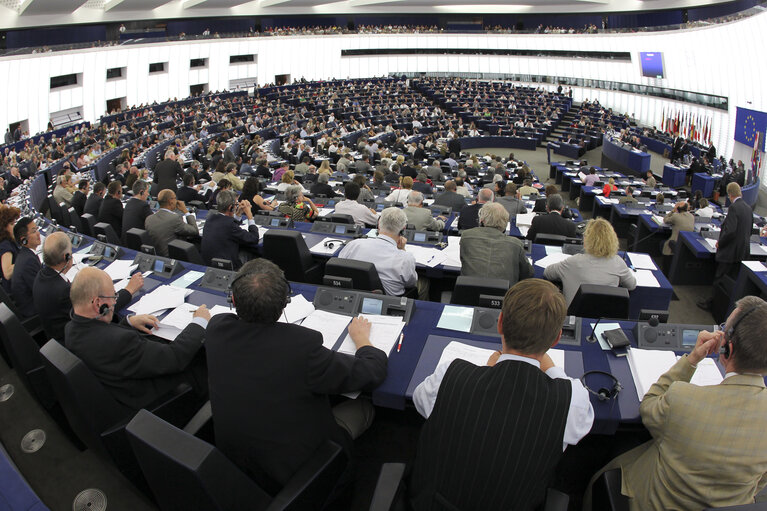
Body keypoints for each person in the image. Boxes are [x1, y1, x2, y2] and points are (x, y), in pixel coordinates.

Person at [410, 279, 594, 510]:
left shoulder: (450, 374)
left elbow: (419, 401)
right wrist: (551, 367)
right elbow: (583, 422)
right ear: (557, 339)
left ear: (500, 323)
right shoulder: (571, 401)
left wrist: (488, 372)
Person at [205, 258, 387, 491]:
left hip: (237, 460)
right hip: (298, 470)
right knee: (365, 407)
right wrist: (362, 340)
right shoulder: (302, 347)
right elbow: (372, 372)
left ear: (233, 299)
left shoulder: (216, 328)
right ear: (285, 303)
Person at [584, 296, 767, 510]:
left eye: (725, 328)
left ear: (728, 348)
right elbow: (759, 483)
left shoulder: (683, 398)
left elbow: (649, 407)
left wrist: (691, 360)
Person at [65, 267, 209, 410]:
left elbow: (107, 337)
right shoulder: (119, 341)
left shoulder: (71, 328)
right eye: (113, 297)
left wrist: (128, 322)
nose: (115, 302)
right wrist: (199, 321)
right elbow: (174, 357)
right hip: (151, 401)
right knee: (203, 359)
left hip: (119, 384)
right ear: (98, 304)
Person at [33, 232, 143, 342]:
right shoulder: (63, 290)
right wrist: (129, 290)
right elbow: (97, 312)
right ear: (67, 256)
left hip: (57, 336)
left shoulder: (41, 276)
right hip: (74, 342)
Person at [544, 218, 636, 307]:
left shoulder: (573, 262)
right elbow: (631, 285)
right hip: (603, 319)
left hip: (573, 318)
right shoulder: (618, 263)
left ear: (586, 239)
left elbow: (548, 273)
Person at [339, 207, 417, 296]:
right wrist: (402, 250)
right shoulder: (405, 258)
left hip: (352, 297)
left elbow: (340, 268)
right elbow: (411, 284)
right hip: (388, 303)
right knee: (425, 283)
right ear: (403, 230)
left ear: (378, 225)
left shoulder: (353, 245)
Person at [698, 183, 752, 310]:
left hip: (730, 251)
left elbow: (731, 231)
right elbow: (749, 230)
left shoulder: (734, 208)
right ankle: (725, 306)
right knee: (731, 281)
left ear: (729, 195)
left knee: (720, 278)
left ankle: (712, 304)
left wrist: (720, 242)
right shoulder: (748, 208)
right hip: (742, 252)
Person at [460, 203, 532, 285]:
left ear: (481, 220)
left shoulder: (466, 236)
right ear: (505, 223)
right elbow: (528, 273)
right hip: (505, 295)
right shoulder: (516, 244)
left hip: (468, 291)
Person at [200, 190, 260, 269]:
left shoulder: (210, 219)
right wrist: (249, 215)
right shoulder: (230, 226)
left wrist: (238, 214)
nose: (237, 206)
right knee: (254, 255)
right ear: (230, 207)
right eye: (236, 204)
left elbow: (228, 225)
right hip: (229, 266)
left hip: (210, 264)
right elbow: (254, 238)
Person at [144, 189, 199, 257]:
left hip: (157, 255)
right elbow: (195, 231)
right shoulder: (174, 218)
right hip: (174, 256)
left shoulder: (149, 219)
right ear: (171, 201)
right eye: (175, 198)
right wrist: (186, 211)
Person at [11, 217, 42, 319]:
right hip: (35, 315)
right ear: (23, 240)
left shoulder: (26, 255)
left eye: (37, 229)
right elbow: (42, 292)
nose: (38, 233)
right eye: (34, 231)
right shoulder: (28, 261)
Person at [0, 205, 20, 295]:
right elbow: (7, 273)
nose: (14, 226)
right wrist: (25, 261)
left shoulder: (9, 240)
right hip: (15, 291)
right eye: (12, 224)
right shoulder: (5, 245)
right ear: (4, 227)